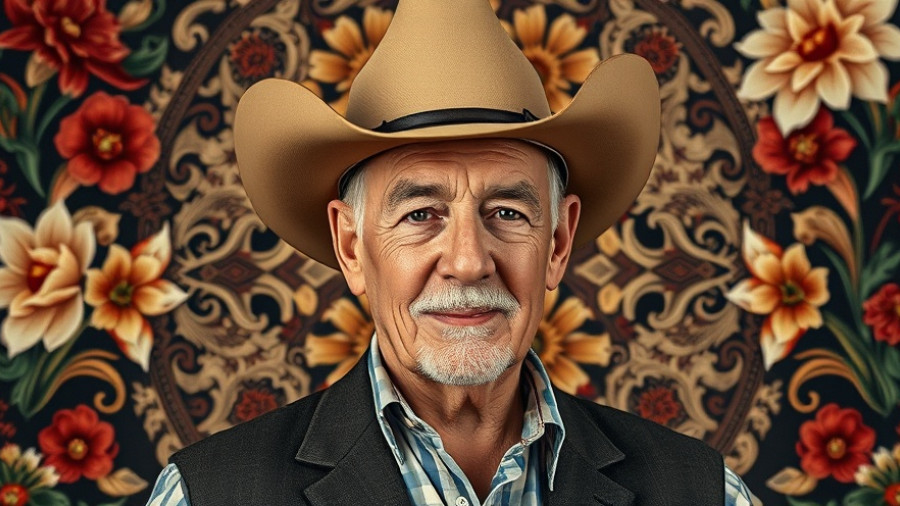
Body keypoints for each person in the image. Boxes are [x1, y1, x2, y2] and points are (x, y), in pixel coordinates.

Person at [147, 0, 755, 504]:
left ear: (558, 243)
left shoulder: (705, 492)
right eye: (421, 214)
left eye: (508, 213)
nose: (468, 261)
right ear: (352, 246)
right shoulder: (207, 494)